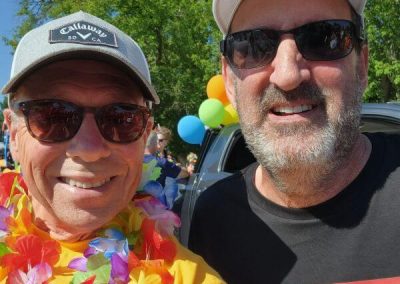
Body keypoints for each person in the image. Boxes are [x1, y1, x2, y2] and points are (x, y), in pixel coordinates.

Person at [0, 11, 224, 283]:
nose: (89, 147)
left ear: (145, 134)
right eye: (52, 115)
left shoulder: (189, 277)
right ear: (12, 132)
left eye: (121, 118)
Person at [189, 0, 400, 283]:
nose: (288, 76)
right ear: (229, 79)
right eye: (253, 45)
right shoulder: (211, 220)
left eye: (324, 37)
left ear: (361, 65)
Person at [141, 131, 189, 208]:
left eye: (161, 140)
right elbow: (185, 174)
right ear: (154, 142)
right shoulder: (163, 162)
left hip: (131, 207)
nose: (159, 143)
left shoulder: (131, 159)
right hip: (154, 208)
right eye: (158, 140)